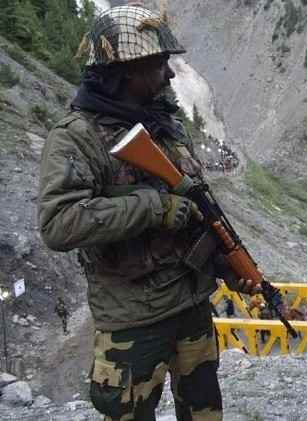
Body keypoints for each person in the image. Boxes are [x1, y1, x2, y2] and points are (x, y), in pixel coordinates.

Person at [36, 5, 256, 419]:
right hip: (132, 321)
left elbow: (196, 209)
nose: (169, 75)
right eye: (159, 65)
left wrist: (227, 264)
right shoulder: (76, 139)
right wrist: (153, 207)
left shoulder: (166, 125)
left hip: (191, 305)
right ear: (124, 72)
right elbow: (58, 223)